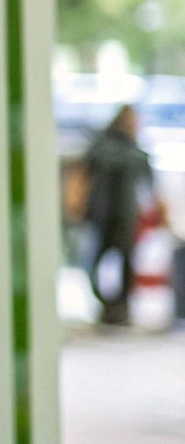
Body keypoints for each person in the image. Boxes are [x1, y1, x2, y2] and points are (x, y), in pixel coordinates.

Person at [83, 104, 153, 326]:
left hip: (109, 214)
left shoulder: (107, 146)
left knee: (106, 261)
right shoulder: (128, 151)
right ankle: (114, 305)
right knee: (115, 261)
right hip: (116, 213)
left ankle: (115, 305)